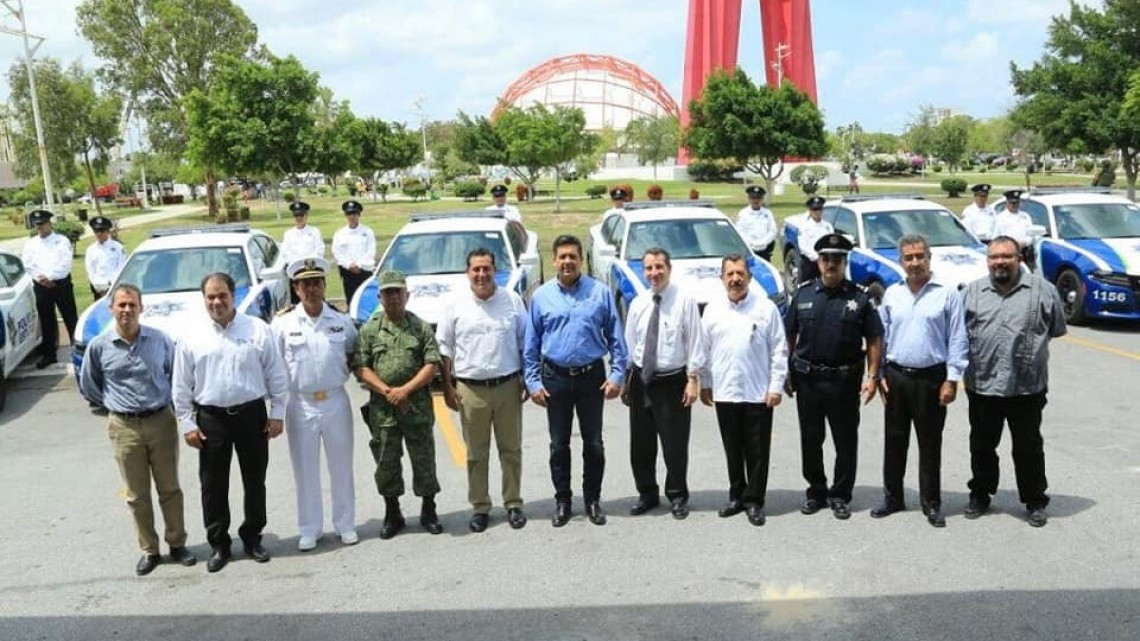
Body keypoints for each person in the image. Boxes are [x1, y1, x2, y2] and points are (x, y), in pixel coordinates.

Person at [172, 272, 288, 573]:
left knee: (254, 480)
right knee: (213, 485)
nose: (216, 301)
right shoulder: (191, 335)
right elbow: (181, 386)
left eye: (222, 295)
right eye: (210, 296)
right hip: (211, 419)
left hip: (251, 415)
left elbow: (276, 374)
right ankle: (219, 543)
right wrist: (186, 422)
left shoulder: (257, 330)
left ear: (233, 295)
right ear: (204, 299)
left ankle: (252, 537)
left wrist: (277, 414)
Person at [78, 284, 197, 576]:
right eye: (121, 305)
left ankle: (177, 543)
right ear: (112, 309)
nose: (127, 310)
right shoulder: (100, 346)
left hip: (161, 421)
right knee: (136, 494)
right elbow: (90, 385)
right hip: (123, 426)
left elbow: (176, 375)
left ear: (141, 308)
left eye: (132, 305)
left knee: (170, 488)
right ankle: (149, 550)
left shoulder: (160, 340)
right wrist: (114, 406)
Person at [961, 236, 1066, 527]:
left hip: (1027, 388)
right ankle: (980, 494)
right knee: (982, 445)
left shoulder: (1044, 292)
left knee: (1028, 447)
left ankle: (1034, 500)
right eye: (994, 257)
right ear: (987, 260)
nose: (1000, 262)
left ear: (1019, 258)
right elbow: (959, 337)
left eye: (1006, 256)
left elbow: (1056, 329)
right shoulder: (972, 293)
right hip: (983, 386)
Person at [524, 234, 626, 528]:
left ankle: (592, 499)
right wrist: (533, 382)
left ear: (581, 260)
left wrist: (617, 374)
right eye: (562, 256)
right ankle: (563, 501)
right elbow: (531, 344)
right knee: (559, 445)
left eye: (573, 256)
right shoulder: (542, 297)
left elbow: (616, 338)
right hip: (554, 378)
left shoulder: (600, 293)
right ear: (554, 260)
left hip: (591, 377)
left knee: (594, 443)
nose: (567, 261)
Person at [784, 233, 883, 520]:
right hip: (808, 381)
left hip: (844, 381)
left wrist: (873, 375)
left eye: (838, 260)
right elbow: (789, 334)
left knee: (845, 441)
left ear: (844, 262)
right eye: (826, 259)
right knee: (811, 440)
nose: (831, 264)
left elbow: (874, 338)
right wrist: (787, 371)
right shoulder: (802, 294)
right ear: (818, 261)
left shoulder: (859, 297)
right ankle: (816, 490)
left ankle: (840, 494)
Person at [872, 234, 968, 528]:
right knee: (894, 441)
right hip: (897, 378)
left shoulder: (948, 293)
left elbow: (958, 338)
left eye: (919, 256)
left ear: (929, 257)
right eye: (908, 258)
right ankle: (893, 498)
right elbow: (881, 337)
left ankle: (931, 503)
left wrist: (952, 380)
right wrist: (877, 375)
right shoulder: (892, 293)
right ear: (901, 261)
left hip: (931, 379)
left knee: (929, 444)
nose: (914, 262)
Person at [437, 248, 528, 533]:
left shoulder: (512, 300)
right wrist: (448, 387)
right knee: (476, 454)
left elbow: (525, 340)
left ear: (494, 270)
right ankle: (480, 506)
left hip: (507, 385)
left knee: (511, 450)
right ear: (468, 272)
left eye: (486, 268)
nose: (481, 274)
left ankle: (513, 502)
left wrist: (526, 377)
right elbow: (444, 347)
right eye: (476, 269)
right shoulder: (454, 304)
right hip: (470, 389)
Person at [271, 257, 359, 551]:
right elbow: (274, 367)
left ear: (324, 285)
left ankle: (345, 524)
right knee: (305, 469)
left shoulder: (340, 322)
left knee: (342, 466)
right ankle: (309, 528)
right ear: (296, 288)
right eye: (304, 283)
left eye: (316, 282)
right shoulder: (282, 324)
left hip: (335, 400)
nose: (311, 288)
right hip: (301, 403)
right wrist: (276, 409)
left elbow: (352, 355)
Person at [352, 270, 443, 539]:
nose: (393, 297)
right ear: (380, 297)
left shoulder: (420, 326)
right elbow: (360, 366)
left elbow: (432, 363)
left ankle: (429, 509)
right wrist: (386, 390)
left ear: (407, 295)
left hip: (416, 405)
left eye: (397, 292)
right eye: (387, 292)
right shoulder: (369, 329)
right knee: (386, 460)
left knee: (423, 457)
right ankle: (393, 512)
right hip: (383, 408)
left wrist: (405, 390)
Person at [699, 255, 787, 526]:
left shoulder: (765, 309)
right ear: (722, 279)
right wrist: (705, 383)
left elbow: (780, 349)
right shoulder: (712, 310)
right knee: (732, 448)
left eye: (740, 273)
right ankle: (736, 495)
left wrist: (776, 386)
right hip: (725, 391)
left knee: (757, 450)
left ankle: (754, 500)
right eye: (730, 274)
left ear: (749, 277)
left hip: (758, 392)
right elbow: (704, 349)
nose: (735, 279)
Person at [623, 248, 705, 519]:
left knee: (674, 444)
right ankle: (647, 493)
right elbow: (631, 343)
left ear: (669, 268)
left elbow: (694, 342)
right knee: (641, 444)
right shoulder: (638, 303)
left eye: (659, 267)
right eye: (649, 268)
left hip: (673, 382)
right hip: (642, 381)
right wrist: (628, 379)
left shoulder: (684, 300)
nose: (654, 273)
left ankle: (677, 495)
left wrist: (693, 380)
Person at [22, 209, 79, 369]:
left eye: (43, 224)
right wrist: (41, 278)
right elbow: (28, 264)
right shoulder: (31, 243)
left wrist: (51, 277)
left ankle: (78, 351)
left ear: (49, 223)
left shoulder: (62, 240)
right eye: (37, 224)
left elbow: (65, 264)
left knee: (70, 318)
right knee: (46, 321)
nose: (40, 227)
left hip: (60, 284)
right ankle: (49, 354)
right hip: (41, 286)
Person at [331, 199, 377, 308]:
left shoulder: (367, 232)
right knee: (351, 302)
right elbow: (337, 252)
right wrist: (349, 265)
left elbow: (371, 252)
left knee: (367, 301)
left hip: (364, 272)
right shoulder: (340, 234)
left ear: (359, 214)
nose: (352, 216)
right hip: (348, 273)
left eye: (354, 213)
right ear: (345, 215)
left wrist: (359, 265)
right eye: (349, 214)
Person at [281, 201, 325, 303]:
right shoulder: (288, 234)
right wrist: (299, 265)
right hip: (296, 272)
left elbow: (319, 251)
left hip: (312, 271)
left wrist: (307, 265)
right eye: (296, 215)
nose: (299, 218)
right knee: (297, 302)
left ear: (306, 216)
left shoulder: (315, 232)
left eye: (301, 215)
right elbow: (286, 254)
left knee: (317, 299)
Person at [84, 216, 126, 301]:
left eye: (102, 231)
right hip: (98, 289)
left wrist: (110, 286)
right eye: (96, 231)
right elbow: (90, 271)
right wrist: (99, 287)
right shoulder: (91, 249)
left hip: (116, 288)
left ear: (108, 231)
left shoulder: (118, 247)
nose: (99, 234)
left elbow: (121, 267)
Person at [993, 190, 1035, 268]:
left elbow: (1031, 235)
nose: (1014, 205)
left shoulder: (1025, 216)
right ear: (1007, 203)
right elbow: (996, 238)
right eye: (1012, 203)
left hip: (1024, 252)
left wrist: (1024, 242)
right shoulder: (1000, 218)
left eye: (1016, 203)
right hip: (1007, 253)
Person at [796, 196, 833, 285]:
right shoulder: (804, 227)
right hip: (809, 263)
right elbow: (803, 246)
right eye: (814, 209)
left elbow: (830, 244)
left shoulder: (828, 226)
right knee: (807, 287)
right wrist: (816, 257)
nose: (817, 212)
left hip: (825, 262)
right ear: (810, 210)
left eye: (819, 209)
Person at [737, 186, 778, 261]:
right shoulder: (743, 213)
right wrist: (752, 243)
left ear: (762, 199)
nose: (756, 201)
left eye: (758, 198)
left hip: (764, 250)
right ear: (749, 199)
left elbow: (773, 230)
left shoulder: (768, 213)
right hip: (748, 250)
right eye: (753, 198)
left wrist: (763, 242)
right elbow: (740, 231)